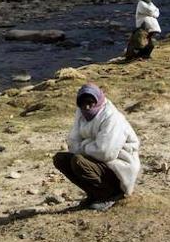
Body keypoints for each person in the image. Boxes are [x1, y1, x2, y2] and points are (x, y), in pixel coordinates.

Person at [52, 83, 141, 211]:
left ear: (98, 100)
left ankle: (111, 194)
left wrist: (83, 145)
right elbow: (72, 141)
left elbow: (105, 152)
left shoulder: (112, 118)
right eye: (83, 103)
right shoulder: (82, 113)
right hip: (98, 161)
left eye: (90, 102)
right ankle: (95, 193)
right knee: (61, 159)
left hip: (118, 166)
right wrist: (89, 146)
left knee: (78, 161)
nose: (87, 106)